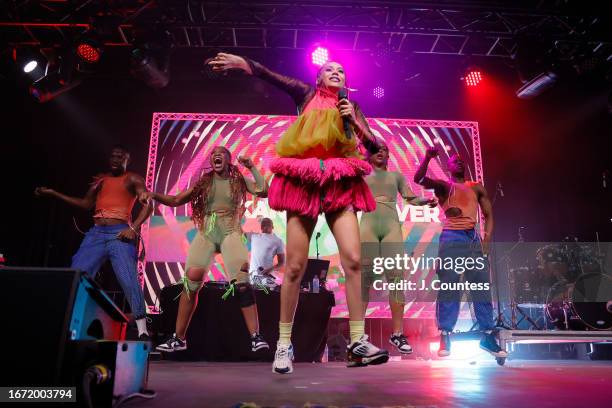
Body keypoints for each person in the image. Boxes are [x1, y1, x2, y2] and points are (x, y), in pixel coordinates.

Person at [209, 52, 389, 374]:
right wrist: (244, 64)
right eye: (328, 70)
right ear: (319, 78)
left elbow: (376, 148)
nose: (335, 72)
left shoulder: (351, 107)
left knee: (353, 260)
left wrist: (355, 124)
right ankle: (283, 344)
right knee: (293, 266)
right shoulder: (306, 95)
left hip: (339, 180)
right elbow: (269, 73)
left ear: (346, 81)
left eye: (341, 70)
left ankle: (358, 342)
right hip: (303, 180)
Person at [141, 146, 270, 353]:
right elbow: (176, 200)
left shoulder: (237, 180)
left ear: (228, 159)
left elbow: (263, 190)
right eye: (213, 153)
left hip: (230, 233)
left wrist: (251, 166)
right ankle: (179, 338)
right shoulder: (204, 182)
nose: (216, 154)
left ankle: (256, 336)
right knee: (191, 281)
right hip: (207, 234)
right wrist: (153, 195)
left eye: (221, 152)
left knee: (242, 284)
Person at [35, 145, 153, 339]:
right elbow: (85, 204)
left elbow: (149, 205)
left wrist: (133, 228)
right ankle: (71, 325)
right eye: (113, 156)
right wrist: (54, 194)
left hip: (119, 234)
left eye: (120, 156)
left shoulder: (133, 179)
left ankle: (142, 331)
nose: (115, 159)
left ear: (127, 159)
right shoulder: (101, 180)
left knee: (128, 278)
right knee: (77, 276)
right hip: (96, 234)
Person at [414, 146, 507, 359]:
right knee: (450, 286)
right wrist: (427, 157)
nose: (459, 162)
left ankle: (487, 336)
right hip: (452, 238)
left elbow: (489, 214)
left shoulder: (476, 187)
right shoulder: (444, 186)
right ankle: (445, 335)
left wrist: (486, 239)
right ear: (448, 166)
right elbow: (419, 178)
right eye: (454, 160)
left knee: (481, 286)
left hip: (473, 239)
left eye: (461, 160)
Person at [361, 143, 436, 354]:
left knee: (395, 278)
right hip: (367, 224)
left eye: (384, 149)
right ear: (368, 154)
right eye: (376, 149)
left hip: (392, 226)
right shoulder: (362, 176)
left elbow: (411, 197)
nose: (380, 152)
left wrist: (425, 201)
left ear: (388, 155)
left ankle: (397, 333)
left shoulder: (397, 176)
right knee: (365, 278)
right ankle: (358, 335)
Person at [248, 217, 285, 290]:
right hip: (254, 280)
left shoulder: (277, 241)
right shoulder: (254, 236)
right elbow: (282, 262)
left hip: (264, 281)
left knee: (261, 300)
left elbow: (282, 262)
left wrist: (270, 270)